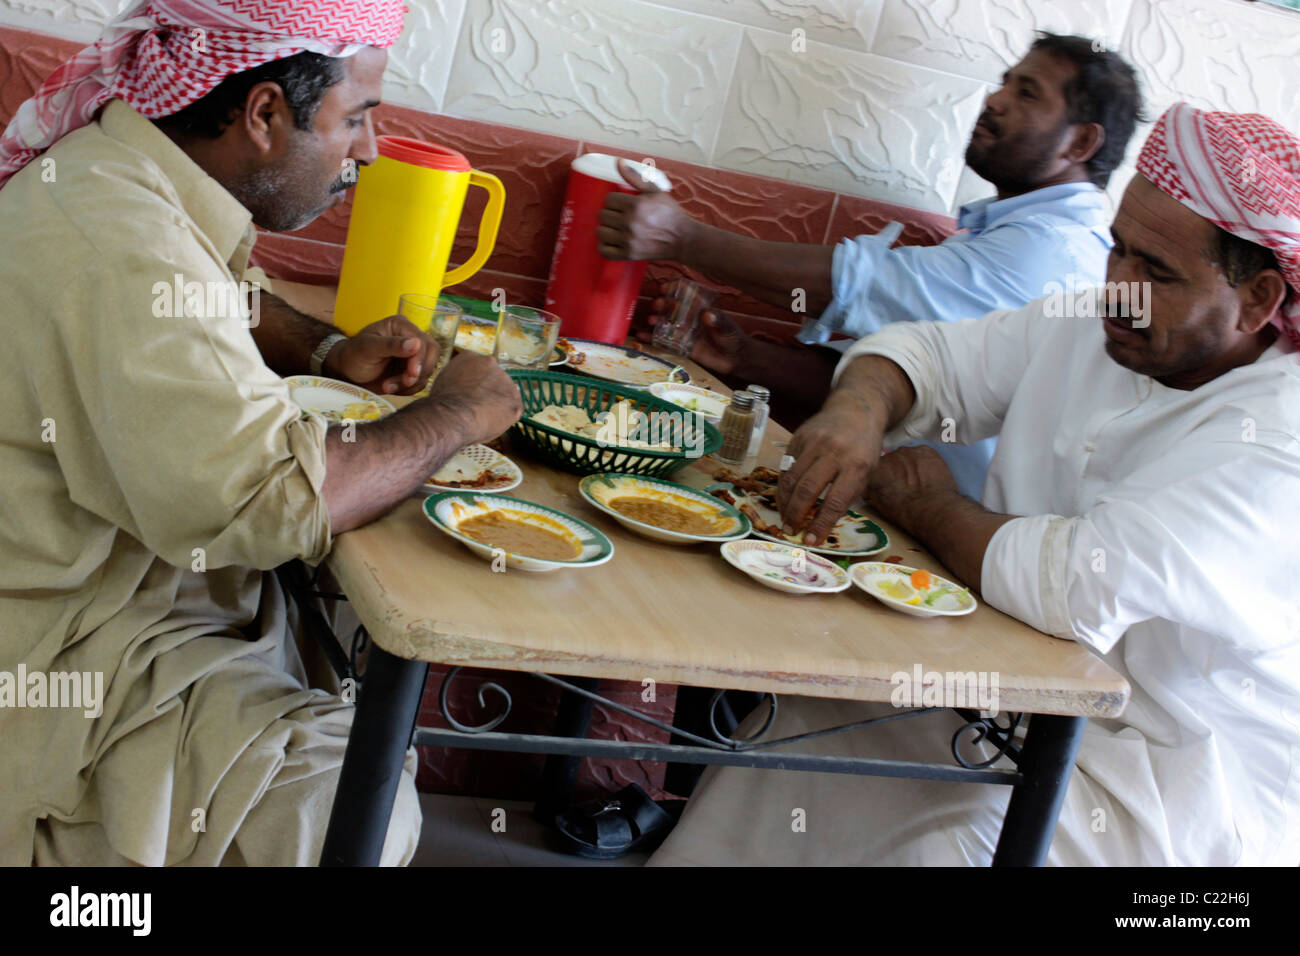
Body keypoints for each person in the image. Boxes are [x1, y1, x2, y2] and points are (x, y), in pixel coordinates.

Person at [648, 104, 1300, 866]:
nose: (1118, 289)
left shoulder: (1277, 433)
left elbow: (1077, 583)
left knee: (947, 851)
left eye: (1156, 273)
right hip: (1008, 703)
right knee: (808, 723)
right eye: (1118, 251)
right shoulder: (1097, 322)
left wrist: (926, 506)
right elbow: (928, 356)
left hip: (1168, 784)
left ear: (1259, 301)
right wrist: (859, 410)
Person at [0, 1, 522, 866]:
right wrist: (461, 413)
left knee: (334, 673)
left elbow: (215, 295)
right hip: (71, 651)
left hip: (145, 603)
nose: (367, 152)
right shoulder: (120, 240)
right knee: (354, 805)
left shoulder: (126, 177)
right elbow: (271, 502)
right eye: (354, 120)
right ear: (265, 114)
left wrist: (323, 348)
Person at [600, 32, 1142, 499]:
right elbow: (894, 380)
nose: (994, 100)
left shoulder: (1048, 250)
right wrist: (749, 358)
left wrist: (681, 236)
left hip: (957, 550)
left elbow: (856, 286)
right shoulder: (1021, 232)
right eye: (1004, 81)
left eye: (1026, 94)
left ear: (1081, 141)